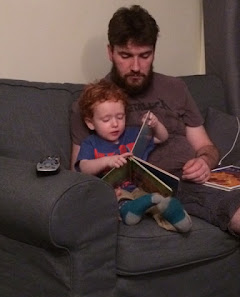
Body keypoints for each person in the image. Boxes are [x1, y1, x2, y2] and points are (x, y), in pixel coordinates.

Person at [70, 4, 240, 235]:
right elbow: (77, 171)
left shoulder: (176, 88)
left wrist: (204, 162)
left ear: (154, 52)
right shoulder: (94, 104)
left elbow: (206, 146)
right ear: (110, 52)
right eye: (125, 56)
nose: (136, 67)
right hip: (151, 189)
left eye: (145, 55)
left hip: (200, 181)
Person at [75, 79, 192, 232]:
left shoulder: (132, 135)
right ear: (90, 123)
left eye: (120, 117)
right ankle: (130, 211)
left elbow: (162, 137)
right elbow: (84, 167)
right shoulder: (91, 143)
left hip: (142, 186)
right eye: (106, 119)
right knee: (117, 200)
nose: (115, 124)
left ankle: (174, 215)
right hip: (115, 192)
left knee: (157, 199)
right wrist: (106, 161)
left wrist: (155, 125)